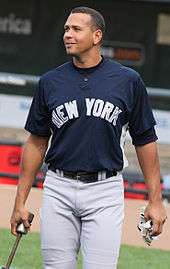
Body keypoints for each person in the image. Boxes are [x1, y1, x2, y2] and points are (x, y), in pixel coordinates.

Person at [10, 6, 167, 269]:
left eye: (75, 29)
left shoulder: (128, 81)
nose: (68, 35)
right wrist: (19, 203)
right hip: (58, 187)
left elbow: (145, 140)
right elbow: (37, 142)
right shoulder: (50, 82)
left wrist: (155, 201)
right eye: (66, 29)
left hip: (104, 190)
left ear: (96, 36)